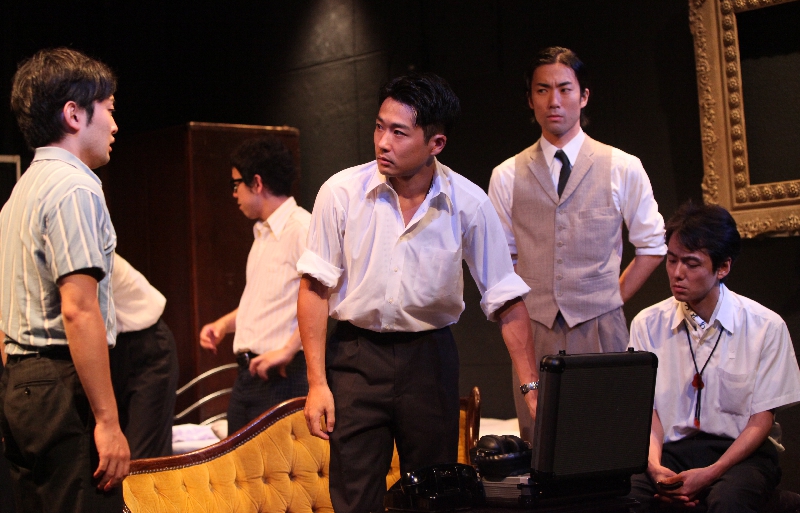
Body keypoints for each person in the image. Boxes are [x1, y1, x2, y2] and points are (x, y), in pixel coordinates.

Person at [297, 72, 538, 513]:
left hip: (429, 360)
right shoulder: (341, 192)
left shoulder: (468, 203)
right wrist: (316, 383)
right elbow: (314, 288)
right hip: (355, 356)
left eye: (398, 132)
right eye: (379, 127)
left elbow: (506, 298)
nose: (382, 142)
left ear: (435, 143)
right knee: (354, 496)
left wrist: (531, 389)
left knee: (434, 495)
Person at [488, 46, 667, 441]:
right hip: (535, 328)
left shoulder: (621, 165)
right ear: (530, 99)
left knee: (605, 440)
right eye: (542, 90)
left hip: (601, 326)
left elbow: (653, 246)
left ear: (583, 96)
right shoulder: (506, 175)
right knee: (541, 443)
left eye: (564, 89)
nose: (554, 101)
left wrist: (612, 297)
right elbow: (502, 263)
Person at [0, 47, 129, 512]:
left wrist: (19, 383)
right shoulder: (74, 187)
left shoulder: (20, 193)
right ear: (74, 115)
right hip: (60, 384)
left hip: (22, 385)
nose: (115, 126)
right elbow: (78, 308)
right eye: (109, 110)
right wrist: (107, 421)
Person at [627, 201, 800, 512]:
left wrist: (710, 473)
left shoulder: (765, 326)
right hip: (670, 450)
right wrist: (654, 468)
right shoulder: (647, 324)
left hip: (741, 455)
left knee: (728, 500)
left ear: (723, 267)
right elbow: (646, 410)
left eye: (691, 264)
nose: (677, 273)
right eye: (672, 260)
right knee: (628, 496)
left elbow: (761, 421)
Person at [199, 136, 310, 434]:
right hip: (249, 376)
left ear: (257, 183)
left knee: (277, 463)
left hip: (283, 375)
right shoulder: (263, 233)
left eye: (236, 184)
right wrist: (223, 325)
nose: (234, 193)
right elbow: (265, 302)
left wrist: (287, 349)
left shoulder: (301, 228)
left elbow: (326, 298)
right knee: (237, 462)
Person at [110, 253, 179, 459]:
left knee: (142, 463)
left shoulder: (84, 243)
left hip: (146, 348)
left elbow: (80, 312)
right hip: (109, 351)